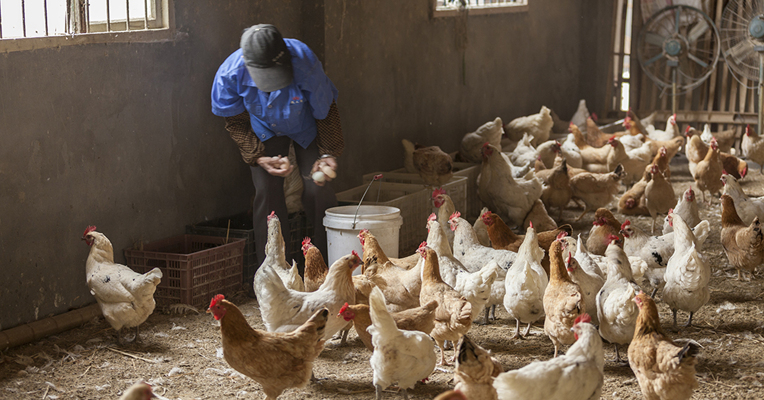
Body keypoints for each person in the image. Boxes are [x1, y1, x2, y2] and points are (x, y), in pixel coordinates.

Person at [211, 24, 343, 278]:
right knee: (267, 192)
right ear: (247, 65)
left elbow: (326, 109)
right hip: (263, 129)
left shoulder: (304, 61)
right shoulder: (229, 75)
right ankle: (272, 273)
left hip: (305, 122)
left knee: (318, 187)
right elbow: (236, 123)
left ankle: (327, 268)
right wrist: (259, 157)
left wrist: (327, 154)